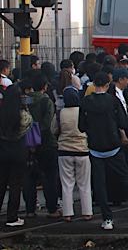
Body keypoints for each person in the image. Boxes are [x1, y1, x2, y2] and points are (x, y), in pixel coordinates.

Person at [78, 71, 128, 231]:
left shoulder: (85, 102)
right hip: (113, 147)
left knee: (100, 184)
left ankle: (107, 219)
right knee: (126, 181)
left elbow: (81, 126)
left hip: (95, 148)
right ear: (107, 85)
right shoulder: (113, 101)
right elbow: (124, 121)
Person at [22, 73, 61, 218]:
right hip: (46, 143)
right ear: (45, 87)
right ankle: (52, 209)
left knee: (29, 178)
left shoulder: (26, 100)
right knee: (49, 177)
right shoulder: (47, 101)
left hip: (27, 142)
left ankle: (30, 210)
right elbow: (47, 124)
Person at [55, 87, 92, 222]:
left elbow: (54, 129)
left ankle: (67, 213)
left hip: (64, 150)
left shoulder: (60, 113)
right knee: (84, 183)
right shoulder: (83, 111)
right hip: (82, 149)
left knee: (67, 184)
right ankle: (87, 212)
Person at [0, 85, 31, 227]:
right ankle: (12, 217)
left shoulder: (2, 112)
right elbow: (29, 125)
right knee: (15, 184)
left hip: (2, 151)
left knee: (1, 183)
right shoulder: (23, 114)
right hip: (18, 151)